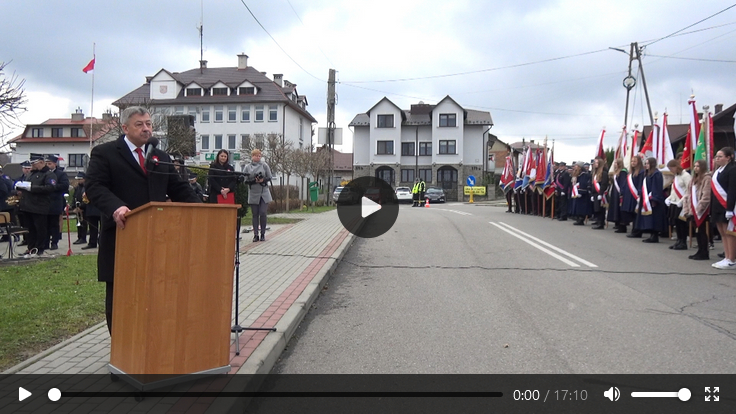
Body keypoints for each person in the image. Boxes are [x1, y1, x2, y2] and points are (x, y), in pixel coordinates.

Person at [85, 106, 201, 335]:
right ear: (125, 127)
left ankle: (149, 342)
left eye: (149, 123)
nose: (146, 128)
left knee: (154, 292)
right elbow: (95, 186)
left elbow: (178, 189)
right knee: (122, 295)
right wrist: (116, 207)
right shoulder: (105, 153)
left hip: (156, 238)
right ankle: (121, 347)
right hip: (122, 234)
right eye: (140, 124)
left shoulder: (159, 157)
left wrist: (203, 211)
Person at [15, 155, 57, 257]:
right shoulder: (31, 174)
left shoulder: (48, 175)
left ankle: (39, 248)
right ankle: (31, 247)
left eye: (34, 163)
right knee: (30, 229)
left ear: (42, 162)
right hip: (27, 206)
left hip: (39, 206)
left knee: (40, 229)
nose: (32, 165)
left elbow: (50, 188)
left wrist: (32, 188)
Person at [709, 147, 736, 269]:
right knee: (722, 233)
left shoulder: (732, 170)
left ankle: (731, 259)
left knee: (729, 233)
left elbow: (732, 190)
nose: (717, 159)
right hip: (717, 206)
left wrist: (730, 208)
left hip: (727, 206)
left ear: (729, 157)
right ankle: (726, 257)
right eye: (716, 156)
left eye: (720, 156)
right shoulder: (718, 170)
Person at [681, 159, 711, 260]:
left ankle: (704, 251)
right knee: (697, 231)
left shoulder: (707, 178)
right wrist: (687, 210)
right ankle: (699, 250)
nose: (695, 168)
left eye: (698, 166)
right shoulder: (693, 179)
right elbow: (688, 195)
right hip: (692, 210)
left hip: (701, 210)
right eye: (695, 166)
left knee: (702, 231)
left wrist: (699, 209)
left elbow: (706, 195)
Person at [634, 157, 667, 243]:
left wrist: (654, 199)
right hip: (646, 199)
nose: (646, 165)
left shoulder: (657, 174)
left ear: (652, 164)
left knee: (655, 218)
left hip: (653, 200)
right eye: (646, 163)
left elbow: (657, 187)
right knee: (649, 218)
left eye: (648, 163)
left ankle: (655, 235)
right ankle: (651, 234)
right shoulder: (647, 174)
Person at [243, 148, 273, 242]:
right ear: (252, 156)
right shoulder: (247, 167)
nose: (258, 157)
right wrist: (254, 181)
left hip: (264, 192)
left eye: (259, 156)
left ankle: (263, 233)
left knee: (263, 213)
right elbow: (245, 180)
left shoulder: (264, 165)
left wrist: (263, 180)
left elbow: (270, 177)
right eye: (256, 156)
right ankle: (256, 234)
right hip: (253, 193)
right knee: (255, 214)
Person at [665, 159, 691, 250]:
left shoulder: (686, 176)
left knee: (682, 223)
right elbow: (673, 191)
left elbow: (689, 190)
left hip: (682, 203)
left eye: (671, 168)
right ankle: (679, 240)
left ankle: (683, 242)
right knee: (676, 222)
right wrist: (669, 199)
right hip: (674, 202)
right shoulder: (676, 176)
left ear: (676, 167)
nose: (670, 170)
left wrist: (682, 200)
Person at [45, 155, 69, 251]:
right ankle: (45, 242)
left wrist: (52, 187)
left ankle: (54, 242)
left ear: (55, 164)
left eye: (49, 163)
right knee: (45, 224)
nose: (48, 165)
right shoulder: (45, 174)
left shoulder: (60, 174)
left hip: (55, 201)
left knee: (54, 223)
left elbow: (64, 185)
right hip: (45, 202)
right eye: (46, 163)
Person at [623, 155, 645, 238]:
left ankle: (637, 231)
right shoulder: (631, 173)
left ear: (639, 162)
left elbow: (641, 184)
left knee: (637, 214)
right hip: (630, 196)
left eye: (634, 161)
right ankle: (634, 230)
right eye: (632, 161)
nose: (632, 163)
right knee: (632, 213)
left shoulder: (641, 172)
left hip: (636, 196)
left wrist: (639, 194)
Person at [14, 161, 33, 246]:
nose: (27, 170)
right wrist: (16, 192)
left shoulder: (33, 178)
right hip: (20, 204)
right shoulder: (18, 178)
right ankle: (25, 239)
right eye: (26, 169)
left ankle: (31, 240)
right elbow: (12, 188)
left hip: (30, 204)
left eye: (29, 168)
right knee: (22, 224)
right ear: (22, 169)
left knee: (30, 224)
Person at [589, 156, 609, 230]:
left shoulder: (603, 173)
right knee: (596, 208)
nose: (595, 164)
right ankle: (598, 221)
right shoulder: (595, 173)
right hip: (595, 193)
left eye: (597, 163)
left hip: (600, 193)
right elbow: (593, 184)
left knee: (600, 209)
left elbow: (604, 184)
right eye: (595, 163)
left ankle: (601, 223)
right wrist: (592, 194)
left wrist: (600, 194)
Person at [607, 158, 627, 233]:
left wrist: (621, 193)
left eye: (616, 163)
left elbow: (622, 183)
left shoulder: (623, 172)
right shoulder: (616, 172)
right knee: (615, 208)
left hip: (619, 192)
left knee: (620, 209)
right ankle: (617, 223)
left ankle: (622, 226)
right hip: (614, 192)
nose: (615, 164)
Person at [72, 172, 88, 245]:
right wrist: (74, 206)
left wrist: (81, 206)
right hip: (77, 207)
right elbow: (74, 197)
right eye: (78, 179)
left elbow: (86, 199)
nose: (79, 181)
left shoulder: (86, 187)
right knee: (79, 223)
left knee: (84, 223)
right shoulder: (77, 188)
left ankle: (83, 238)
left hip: (84, 208)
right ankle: (79, 237)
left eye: (80, 179)